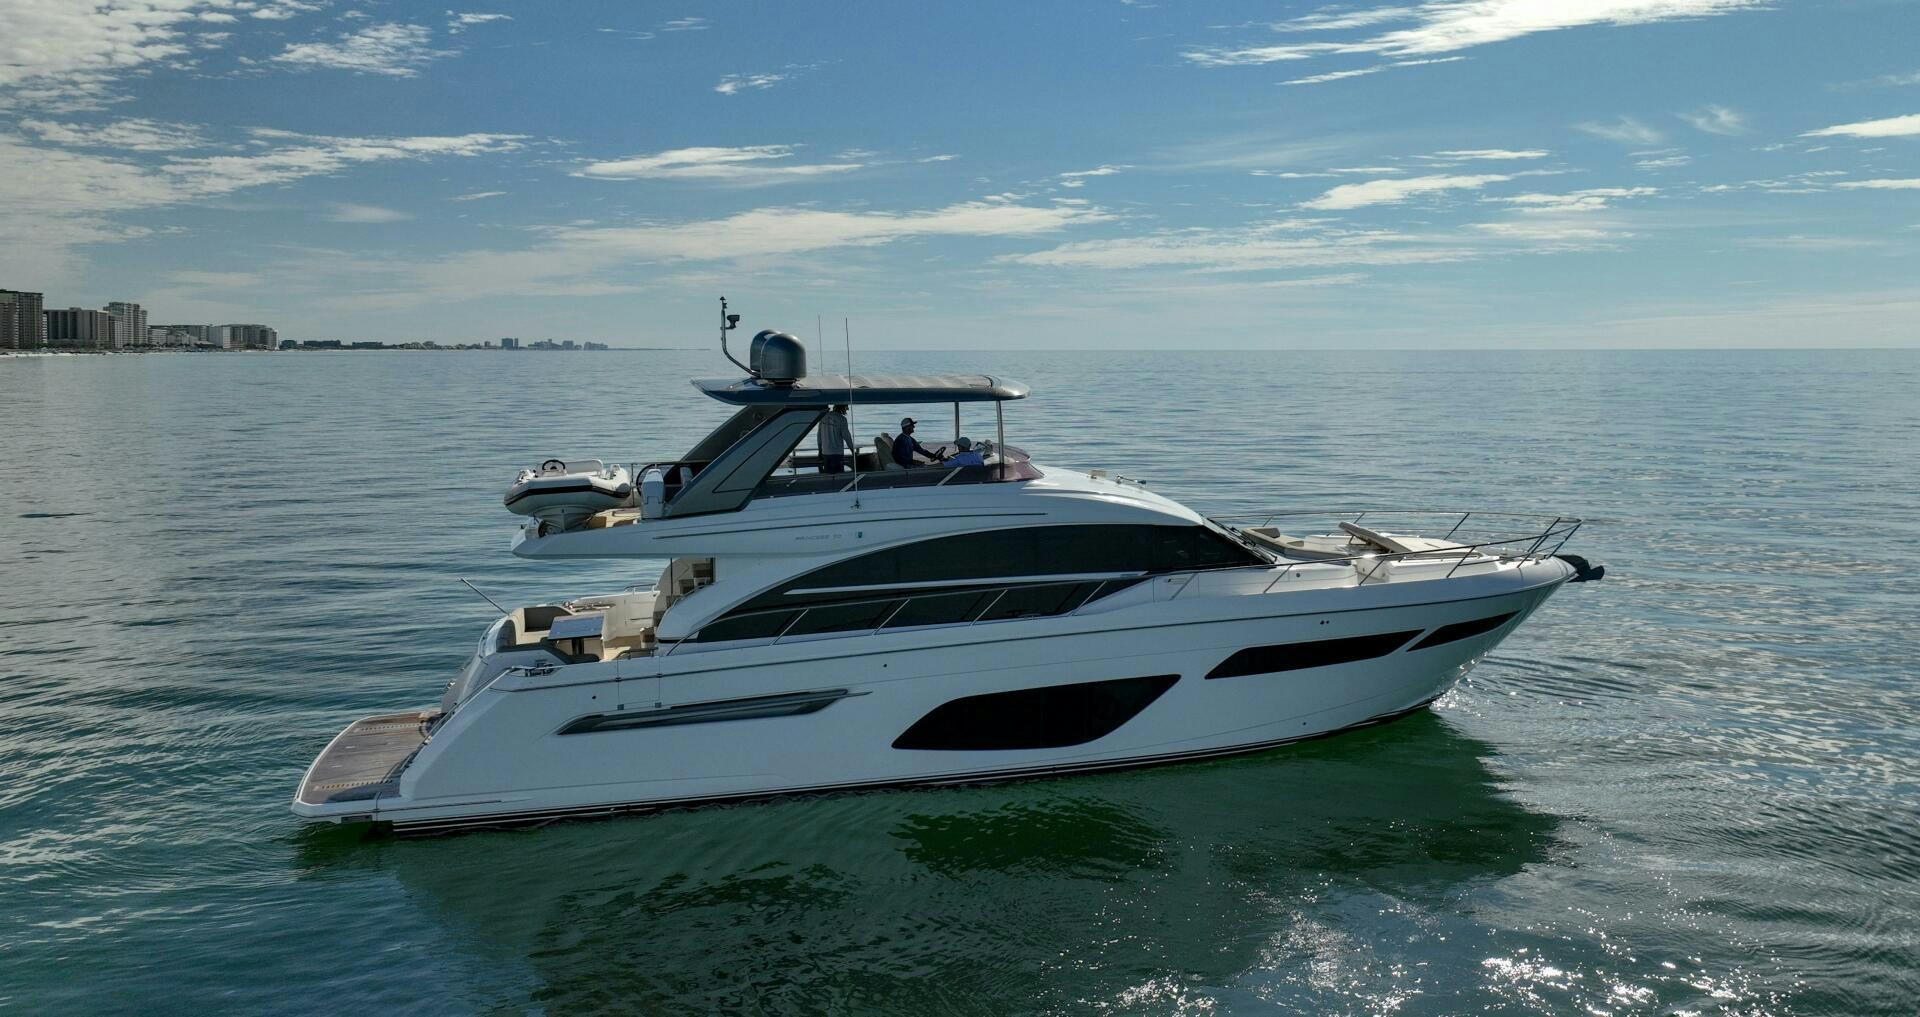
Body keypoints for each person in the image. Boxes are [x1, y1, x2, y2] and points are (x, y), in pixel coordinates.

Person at [817, 403, 855, 474]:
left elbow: (819, 436)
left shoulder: (823, 417)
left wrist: (820, 450)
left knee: (827, 476)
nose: (847, 409)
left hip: (825, 452)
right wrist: (852, 450)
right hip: (837, 453)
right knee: (839, 477)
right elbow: (847, 437)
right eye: (846, 407)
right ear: (842, 407)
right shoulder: (842, 419)